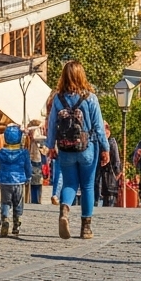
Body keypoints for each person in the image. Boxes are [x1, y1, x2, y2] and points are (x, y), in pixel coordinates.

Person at [45, 60, 110, 240]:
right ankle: (86, 229)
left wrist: (50, 146)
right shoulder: (90, 97)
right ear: (82, 75)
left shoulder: (58, 99)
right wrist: (106, 148)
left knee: (69, 184)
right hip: (87, 147)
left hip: (66, 148)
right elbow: (98, 127)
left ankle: (65, 209)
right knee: (88, 185)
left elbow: (51, 124)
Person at [0, 124, 32, 237]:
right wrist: (28, 177)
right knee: (18, 203)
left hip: (4, 181)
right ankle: (16, 224)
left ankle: (5, 220)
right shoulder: (23, 153)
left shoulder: (2, 152)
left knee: (6, 202)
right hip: (18, 182)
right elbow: (28, 167)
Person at [96, 122, 122, 207]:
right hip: (100, 177)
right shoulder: (97, 142)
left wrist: (118, 173)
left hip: (109, 177)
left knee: (108, 201)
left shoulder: (111, 142)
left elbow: (117, 160)